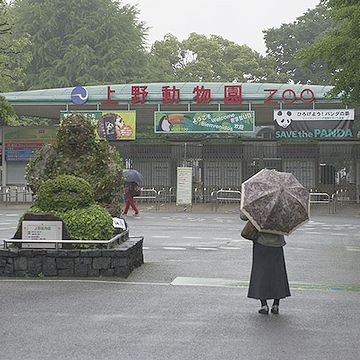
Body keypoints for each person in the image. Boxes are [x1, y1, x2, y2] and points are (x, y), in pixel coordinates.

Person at [240, 211, 291, 315]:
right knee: (277, 274)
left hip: (261, 242)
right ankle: (276, 305)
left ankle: (264, 305)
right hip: (277, 244)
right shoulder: (281, 207)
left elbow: (243, 216)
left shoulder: (259, 205)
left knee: (261, 273)